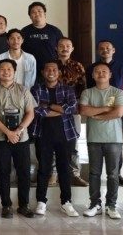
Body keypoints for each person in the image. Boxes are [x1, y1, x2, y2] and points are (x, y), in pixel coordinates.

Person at [0, 59, 36, 219]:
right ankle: (6, 205)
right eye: (2, 69)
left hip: (21, 138)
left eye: (9, 69)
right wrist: (8, 132)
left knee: (24, 172)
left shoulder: (24, 90)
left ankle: (24, 205)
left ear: (14, 72)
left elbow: (30, 113)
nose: (5, 72)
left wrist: (19, 130)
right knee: (3, 172)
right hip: (1, 138)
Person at [29, 61, 79, 217]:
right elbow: (37, 110)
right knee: (44, 169)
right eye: (48, 69)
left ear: (58, 73)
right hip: (43, 135)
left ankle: (66, 202)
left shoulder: (67, 89)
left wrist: (49, 105)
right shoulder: (36, 89)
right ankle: (41, 202)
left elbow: (72, 108)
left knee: (64, 169)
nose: (51, 71)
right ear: (43, 72)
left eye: (54, 69)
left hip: (66, 134)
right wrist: (60, 109)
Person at [79, 63, 123, 220]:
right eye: (97, 72)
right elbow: (84, 111)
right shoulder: (87, 92)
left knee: (113, 174)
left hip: (114, 139)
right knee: (94, 173)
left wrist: (97, 114)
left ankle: (111, 205)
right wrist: (106, 108)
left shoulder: (119, 92)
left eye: (104, 71)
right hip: (94, 138)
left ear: (110, 74)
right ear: (92, 75)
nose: (100, 74)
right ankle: (95, 204)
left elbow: (118, 113)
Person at [85, 40, 123, 186]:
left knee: (118, 144)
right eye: (102, 48)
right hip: (96, 108)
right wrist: (100, 110)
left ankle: (118, 173)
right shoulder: (92, 68)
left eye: (108, 48)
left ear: (114, 50)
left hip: (117, 109)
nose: (105, 50)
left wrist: (118, 109)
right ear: (98, 51)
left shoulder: (122, 68)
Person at [56, 37, 88, 187]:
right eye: (61, 46)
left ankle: (74, 173)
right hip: (53, 110)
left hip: (73, 110)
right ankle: (53, 174)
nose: (64, 48)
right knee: (54, 143)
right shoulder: (51, 65)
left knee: (73, 143)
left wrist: (78, 107)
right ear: (56, 48)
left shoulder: (78, 67)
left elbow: (83, 89)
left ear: (72, 48)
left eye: (68, 46)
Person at [20, 1, 63, 82]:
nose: (37, 13)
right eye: (33, 12)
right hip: (30, 71)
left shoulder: (55, 31)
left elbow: (61, 50)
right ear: (30, 16)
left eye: (39, 11)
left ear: (45, 14)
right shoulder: (24, 32)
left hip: (51, 71)